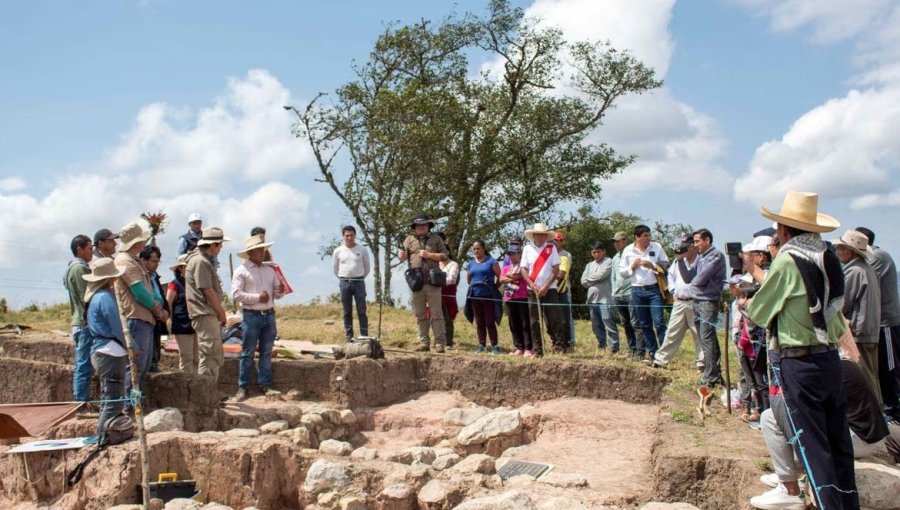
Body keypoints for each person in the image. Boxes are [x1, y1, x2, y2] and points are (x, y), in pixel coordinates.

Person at [744, 191, 858, 510]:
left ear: (783, 229)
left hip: (799, 361)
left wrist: (745, 303)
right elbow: (833, 313)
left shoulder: (788, 259)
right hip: (828, 357)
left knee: (813, 447)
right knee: (838, 445)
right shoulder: (828, 257)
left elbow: (761, 311)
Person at [751, 356, 889, 509]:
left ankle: (789, 491)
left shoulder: (815, 369)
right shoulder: (833, 360)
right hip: (866, 435)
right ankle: (798, 475)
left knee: (770, 417)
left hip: (857, 437)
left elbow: (794, 411)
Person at [114, 223, 168, 412]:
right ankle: (130, 408)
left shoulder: (132, 260)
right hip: (136, 318)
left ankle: (135, 404)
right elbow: (139, 292)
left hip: (144, 318)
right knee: (135, 367)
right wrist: (157, 309)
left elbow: (148, 290)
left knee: (142, 367)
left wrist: (157, 305)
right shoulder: (125, 262)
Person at [855, 226, 900, 422]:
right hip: (877, 323)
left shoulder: (878, 257)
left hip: (886, 322)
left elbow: (864, 280)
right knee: (880, 367)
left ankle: (893, 408)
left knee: (889, 366)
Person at [82, 257, 128, 444]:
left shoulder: (95, 297)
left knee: (109, 397)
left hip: (102, 350)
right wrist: (131, 346)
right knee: (112, 399)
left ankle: (104, 434)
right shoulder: (105, 298)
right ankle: (103, 437)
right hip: (110, 351)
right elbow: (118, 326)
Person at [833, 229, 882, 405]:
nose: (837, 251)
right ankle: (878, 415)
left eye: (840, 247)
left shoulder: (853, 271)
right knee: (872, 376)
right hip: (871, 331)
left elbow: (841, 304)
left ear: (850, 251)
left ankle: (873, 419)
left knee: (863, 379)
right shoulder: (867, 269)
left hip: (859, 334)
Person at [232, 235, 283, 401]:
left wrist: (279, 291)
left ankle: (265, 384)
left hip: (268, 314)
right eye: (260, 250)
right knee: (247, 352)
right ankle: (243, 386)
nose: (263, 253)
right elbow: (236, 294)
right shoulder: (241, 271)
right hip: (251, 314)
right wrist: (257, 298)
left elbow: (276, 292)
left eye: (263, 250)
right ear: (251, 252)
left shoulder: (270, 270)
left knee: (266, 352)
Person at [675, 228, 726, 387]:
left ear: (707, 240)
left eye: (697, 241)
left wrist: (691, 286)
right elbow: (688, 277)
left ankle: (711, 377)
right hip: (697, 301)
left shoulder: (715, 256)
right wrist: (680, 259)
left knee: (706, 337)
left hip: (708, 301)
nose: (695, 245)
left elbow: (699, 280)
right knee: (706, 338)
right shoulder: (701, 257)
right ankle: (714, 373)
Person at [399, 214, 449, 353]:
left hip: (433, 281)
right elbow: (402, 256)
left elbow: (445, 256)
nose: (421, 227)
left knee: (437, 314)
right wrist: (401, 255)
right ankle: (424, 342)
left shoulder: (436, 238)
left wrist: (429, 255)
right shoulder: (409, 239)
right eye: (418, 225)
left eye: (424, 224)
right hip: (416, 282)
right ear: (414, 227)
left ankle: (439, 343)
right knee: (420, 314)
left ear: (428, 226)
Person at [185, 227, 230, 380]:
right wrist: (221, 312)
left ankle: (208, 394)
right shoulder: (200, 261)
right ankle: (206, 394)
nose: (221, 248)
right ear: (213, 245)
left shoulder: (201, 260)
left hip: (205, 313)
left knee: (211, 354)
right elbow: (207, 290)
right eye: (220, 244)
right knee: (211, 355)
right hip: (204, 312)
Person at [619, 225, 669, 361]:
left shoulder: (656, 246)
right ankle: (652, 352)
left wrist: (652, 266)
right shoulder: (628, 250)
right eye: (645, 235)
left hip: (654, 289)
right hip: (637, 290)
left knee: (659, 322)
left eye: (649, 235)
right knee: (644, 323)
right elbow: (622, 272)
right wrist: (632, 266)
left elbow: (666, 264)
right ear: (637, 237)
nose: (648, 238)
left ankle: (665, 354)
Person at [651, 237, 702, 369]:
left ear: (693, 247)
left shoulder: (702, 261)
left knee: (699, 334)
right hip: (679, 301)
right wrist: (673, 291)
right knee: (672, 332)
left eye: (685, 247)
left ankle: (702, 363)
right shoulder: (677, 261)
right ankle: (661, 361)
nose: (683, 250)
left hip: (696, 302)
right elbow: (670, 276)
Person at [520, 223, 566, 355]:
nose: (540, 237)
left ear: (546, 236)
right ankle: (537, 349)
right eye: (538, 235)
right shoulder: (527, 249)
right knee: (534, 320)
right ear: (534, 235)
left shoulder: (551, 248)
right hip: (532, 289)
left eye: (543, 235)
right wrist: (532, 285)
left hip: (549, 288)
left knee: (554, 318)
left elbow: (555, 269)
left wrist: (546, 286)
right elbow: (523, 269)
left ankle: (559, 347)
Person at [65, 234, 94, 403]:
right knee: (83, 364)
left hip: (79, 322)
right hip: (83, 322)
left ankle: (82, 399)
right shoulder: (79, 268)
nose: (91, 252)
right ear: (79, 249)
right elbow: (87, 297)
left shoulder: (73, 267)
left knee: (83, 363)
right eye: (89, 248)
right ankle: (81, 401)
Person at [332, 226, 370, 341]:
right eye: (347, 235)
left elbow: (367, 267)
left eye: (351, 235)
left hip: (359, 281)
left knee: (361, 310)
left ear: (355, 235)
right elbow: (335, 268)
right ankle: (349, 337)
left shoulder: (362, 249)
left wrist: (360, 277)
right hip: (344, 282)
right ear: (343, 236)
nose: (349, 238)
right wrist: (343, 278)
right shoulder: (338, 251)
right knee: (347, 310)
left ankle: (364, 336)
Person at [611, 231, 643, 359]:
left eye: (618, 241)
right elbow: (613, 277)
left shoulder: (632, 254)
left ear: (625, 241)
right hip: (618, 295)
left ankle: (640, 351)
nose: (616, 244)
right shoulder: (614, 258)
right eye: (615, 241)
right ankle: (631, 349)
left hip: (631, 293)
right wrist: (613, 292)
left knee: (636, 323)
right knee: (625, 323)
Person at [465, 240, 502, 354]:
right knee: (479, 321)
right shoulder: (470, 264)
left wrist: (494, 287)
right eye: (474, 249)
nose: (476, 251)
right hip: (475, 295)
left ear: (484, 248)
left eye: (478, 248)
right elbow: (468, 280)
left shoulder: (491, 261)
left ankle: (494, 345)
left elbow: (500, 276)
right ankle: (481, 344)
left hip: (488, 295)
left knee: (489, 321)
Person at [581, 241, 618, 352]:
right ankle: (602, 345)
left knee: (609, 323)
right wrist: (594, 279)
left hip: (605, 299)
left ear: (604, 251)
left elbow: (602, 275)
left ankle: (614, 348)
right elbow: (583, 281)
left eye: (599, 252)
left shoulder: (608, 262)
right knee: (596, 325)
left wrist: (590, 279)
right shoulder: (589, 265)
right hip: (592, 300)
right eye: (594, 252)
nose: (596, 254)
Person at [166, 255, 198, 374]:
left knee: (197, 357)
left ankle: (195, 385)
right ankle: (186, 385)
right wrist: (168, 321)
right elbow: (168, 303)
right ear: (181, 268)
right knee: (186, 357)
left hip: (196, 323)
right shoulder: (174, 284)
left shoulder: (195, 283)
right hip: (182, 324)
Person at [139, 245, 169, 373]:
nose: (156, 264)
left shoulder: (155, 277)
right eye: (153, 261)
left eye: (158, 261)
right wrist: (158, 311)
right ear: (143, 260)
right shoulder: (141, 277)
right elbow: (144, 296)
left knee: (155, 354)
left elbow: (161, 296)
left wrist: (166, 311)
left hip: (158, 321)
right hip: (147, 319)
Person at [500, 244, 533, 356]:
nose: (512, 256)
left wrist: (512, 276)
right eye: (509, 254)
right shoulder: (506, 267)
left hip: (522, 297)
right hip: (509, 297)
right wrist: (513, 276)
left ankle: (528, 347)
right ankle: (519, 346)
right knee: (513, 323)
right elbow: (501, 279)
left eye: (514, 254)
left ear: (520, 254)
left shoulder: (524, 267)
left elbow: (522, 276)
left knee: (525, 322)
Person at [437, 237, 460, 348]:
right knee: (435, 319)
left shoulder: (453, 264)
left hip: (447, 296)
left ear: (448, 252)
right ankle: (438, 341)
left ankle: (449, 342)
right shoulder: (434, 264)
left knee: (447, 319)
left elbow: (451, 279)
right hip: (435, 295)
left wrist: (435, 282)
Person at [555, 232, 576, 346]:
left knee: (567, 316)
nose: (556, 243)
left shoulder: (567, 255)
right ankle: (558, 339)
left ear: (562, 241)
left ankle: (571, 339)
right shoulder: (549, 254)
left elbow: (562, 272)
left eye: (558, 240)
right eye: (555, 241)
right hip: (552, 289)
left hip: (564, 288)